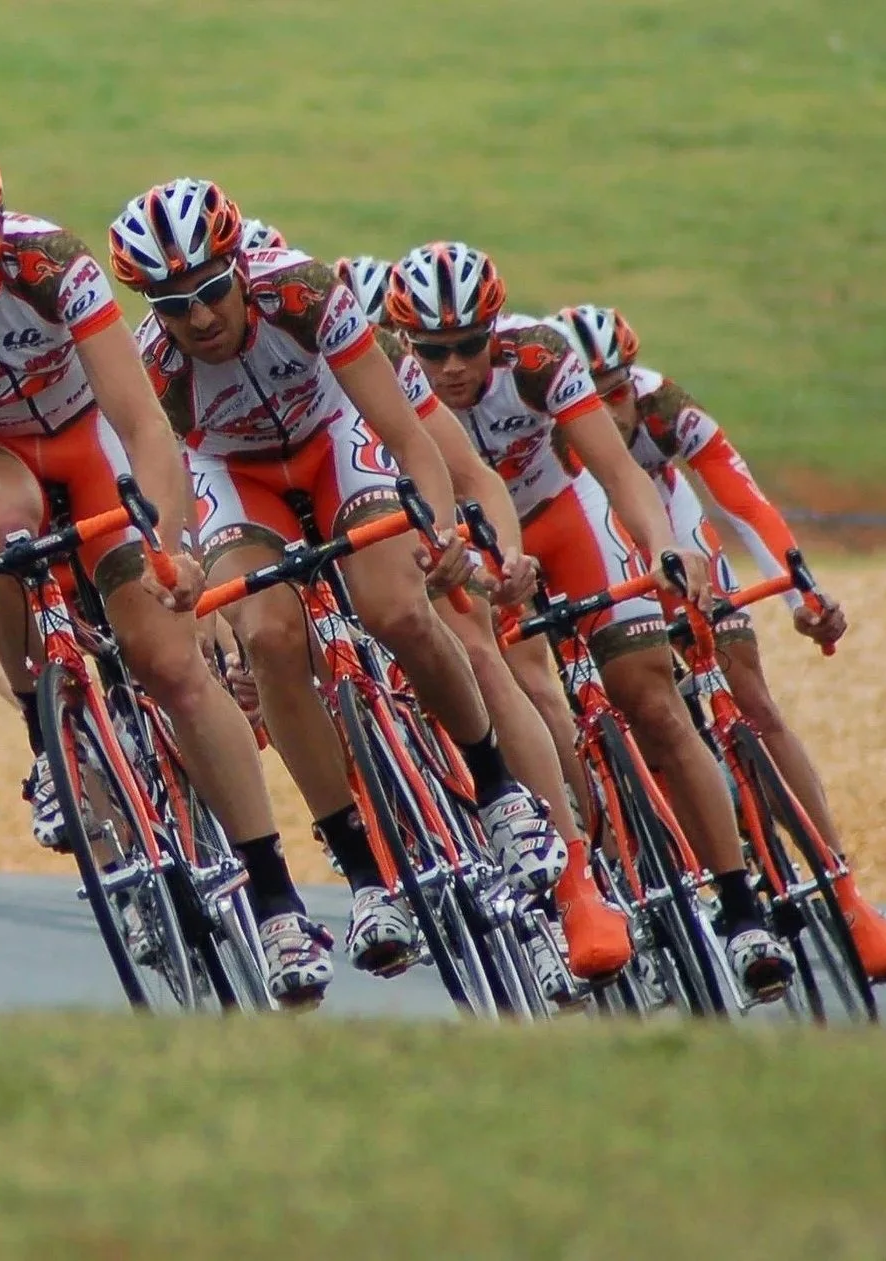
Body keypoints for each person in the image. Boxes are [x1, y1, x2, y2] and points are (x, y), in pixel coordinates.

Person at [0, 127, 332, 1006]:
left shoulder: (52, 266)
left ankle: (277, 900)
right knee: (4, 521)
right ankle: (47, 735)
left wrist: (170, 551)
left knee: (173, 667)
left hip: (85, 434)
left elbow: (146, 425)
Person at [107, 177, 591, 981]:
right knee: (267, 633)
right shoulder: (155, 364)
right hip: (233, 472)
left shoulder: (303, 291)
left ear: (240, 269)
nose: (196, 317)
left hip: (333, 441)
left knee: (396, 606)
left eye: (211, 291)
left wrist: (436, 529)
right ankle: (364, 872)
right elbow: (165, 482)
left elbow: (404, 431)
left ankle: (496, 786)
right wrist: (176, 565)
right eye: (171, 302)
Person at [387, 240, 796, 1001]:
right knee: (516, 684)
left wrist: (665, 544)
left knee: (650, 700)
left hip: (565, 519)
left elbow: (616, 471)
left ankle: (740, 908)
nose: (452, 367)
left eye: (469, 345)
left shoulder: (538, 358)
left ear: (495, 330)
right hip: (468, 543)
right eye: (433, 350)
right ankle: (582, 864)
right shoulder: (387, 381)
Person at [548, 303, 886, 983]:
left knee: (749, 694)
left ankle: (843, 890)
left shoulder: (662, 407)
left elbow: (741, 499)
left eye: (617, 390)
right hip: (587, 539)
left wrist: (801, 592)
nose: (612, 411)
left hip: (668, 530)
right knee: (612, 700)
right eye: (592, 397)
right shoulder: (539, 430)